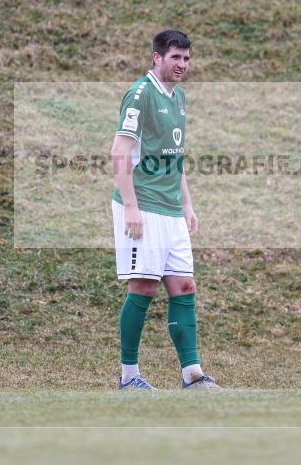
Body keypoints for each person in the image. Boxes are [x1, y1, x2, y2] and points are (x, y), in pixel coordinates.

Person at [110, 29, 220, 390]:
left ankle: (193, 375)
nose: (182, 65)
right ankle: (129, 377)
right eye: (175, 57)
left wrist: (187, 204)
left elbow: (175, 157)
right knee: (143, 287)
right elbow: (120, 152)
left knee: (184, 285)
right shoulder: (140, 95)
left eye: (186, 59)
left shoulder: (178, 96)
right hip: (142, 205)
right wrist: (131, 208)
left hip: (171, 209)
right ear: (156, 57)